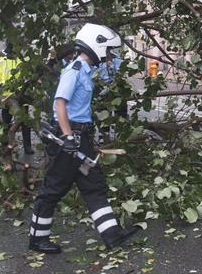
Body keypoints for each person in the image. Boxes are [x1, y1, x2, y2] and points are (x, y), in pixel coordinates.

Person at [28, 24, 137, 254]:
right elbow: (60, 103)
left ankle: (112, 235)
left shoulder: (86, 70)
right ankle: (37, 239)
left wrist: (84, 139)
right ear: (95, 45)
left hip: (81, 138)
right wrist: (68, 137)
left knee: (93, 186)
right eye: (107, 50)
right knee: (54, 188)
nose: (108, 55)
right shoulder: (74, 70)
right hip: (69, 139)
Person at [0, 44, 32, 155]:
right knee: (6, 124)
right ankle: (4, 146)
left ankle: (28, 147)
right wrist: (1, 85)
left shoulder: (22, 61)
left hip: (22, 97)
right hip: (6, 99)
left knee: (25, 123)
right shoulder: (1, 61)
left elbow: (28, 78)